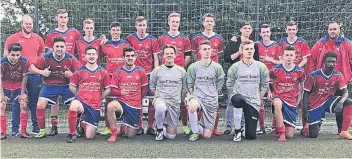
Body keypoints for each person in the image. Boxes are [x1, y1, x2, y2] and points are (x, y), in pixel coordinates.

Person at [29, 36, 80, 138]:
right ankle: (45, 130)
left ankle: (75, 129)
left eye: (62, 46)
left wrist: (72, 75)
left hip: (67, 86)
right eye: (57, 46)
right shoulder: (46, 57)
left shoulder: (70, 58)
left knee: (77, 104)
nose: (59, 49)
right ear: (53, 47)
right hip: (50, 85)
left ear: (65, 48)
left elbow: (81, 72)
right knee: (40, 105)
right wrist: (41, 72)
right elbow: (31, 68)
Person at [307, 22, 352, 134]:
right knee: (318, 101)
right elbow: (311, 59)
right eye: (330, 29)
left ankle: (342, 130)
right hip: (321, 82)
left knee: (343, 102)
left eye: (334, 29)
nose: (332, 31)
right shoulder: (320, 43)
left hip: (341, 80)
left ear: (339, 30)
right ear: (327, 30)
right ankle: (316, 124)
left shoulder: (347, 44)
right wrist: (312, 75)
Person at [3, 15, 44, 135]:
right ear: (22, 24)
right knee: (18, 101)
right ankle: (15, 129)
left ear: (33, 24)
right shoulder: (12, 38)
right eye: (26, 23)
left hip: (34, 75)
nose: (29, 25)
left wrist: (38, 70)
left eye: (30, 23)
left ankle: (36, 127)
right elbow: (6, 56)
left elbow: (41, 57)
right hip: (18, 76)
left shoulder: (38, 39)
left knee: (34, 101)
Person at [44, 9, 82, 135]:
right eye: (61, 17)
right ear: (57, 18)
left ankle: (76, 126)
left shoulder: (74, 32)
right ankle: (54, 127)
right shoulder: (51, 34)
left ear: (68, 18)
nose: (63, 19)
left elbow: (83, 45)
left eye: (65, 17)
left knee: (75, 98)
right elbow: (48, 52)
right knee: (54, 100)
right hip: (55, 70)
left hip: (70, 69)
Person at [66, 46, 111, 143]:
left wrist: (100, 97)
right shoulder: (79, 71)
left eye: (93, 54)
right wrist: (78, 95)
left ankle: (82, 124)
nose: (91, 56)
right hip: (82, 102)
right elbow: (72, 86)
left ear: (97, 56)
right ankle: (72, 133)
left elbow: (108, 89)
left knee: (89, 136)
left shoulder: (103, 72)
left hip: (95, 106)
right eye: (89, 54)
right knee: (74, 104)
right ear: (85, 56)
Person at [226, 40, 269, 142]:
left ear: (254, 50)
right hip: (239, 97)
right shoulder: (235, 67)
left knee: (251, 136)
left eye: (251, 49)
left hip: (253, 101)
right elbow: (229, 84)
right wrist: (233, 94)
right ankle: (237, 131)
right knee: (238, 99)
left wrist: (259, 97)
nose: (249, 51)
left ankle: (243, 129)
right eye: (246, 49)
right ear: (242, 50)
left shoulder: (261, 66)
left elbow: (264, 85)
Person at [303, 51, 352, 140]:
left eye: (333, 62)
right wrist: (305, 111)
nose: (331, 64)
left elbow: (345, 92)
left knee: (348, 101)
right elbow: (306, 93)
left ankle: (344, 131)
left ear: (336, 62)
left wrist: (341, 102)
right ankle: (306, 128)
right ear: (324, 62)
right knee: (313, 135)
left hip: (328, 101)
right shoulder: (314, 75)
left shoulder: (338, 75)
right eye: (329, 61)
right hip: (314, 105)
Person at [126, 16, 161, 135]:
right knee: (137, 101)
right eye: (139, 25)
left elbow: (156, 57)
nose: (142, 28)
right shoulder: (130, 38)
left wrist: (155, 72)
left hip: (149, 73)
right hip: (135, 74)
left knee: (151, 101)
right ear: (136, 26)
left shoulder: (152, 39)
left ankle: (150, 127)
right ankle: (139, 126)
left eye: (144, 25)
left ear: (146, 26)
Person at [157, 12, 192, 135]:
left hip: (178, 73)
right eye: (173, 21)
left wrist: (181, 68)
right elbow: (159, 55)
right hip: (165, 73)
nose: (175, 24)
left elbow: (187, 55)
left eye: (177, 21)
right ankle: (162, 125)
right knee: (164, 100)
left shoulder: (184, 38)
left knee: (182, 100)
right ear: (168, 22)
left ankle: (185, 125)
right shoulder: (162, 38)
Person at [223, 22, 260, 135]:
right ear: (240, 29)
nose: (247, 30)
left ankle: (242, 125)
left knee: (246, 100)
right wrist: (238, 52)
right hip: (236, 76)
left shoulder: (254, 45)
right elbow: (226, 58)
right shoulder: (233, 42)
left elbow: (257, 61)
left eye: (249, 28)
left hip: (248, 77)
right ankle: (229, 126)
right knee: (231, 101)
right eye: (245, 28)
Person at [191, 13, 224, 135]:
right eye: (207, 21)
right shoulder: (196, 38)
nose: (209, 23)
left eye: (211, 21)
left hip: (213, 73)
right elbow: (194, 53)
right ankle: (198, 125)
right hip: (201, 72)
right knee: (198, 99)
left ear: (214, 23)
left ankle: (214, 127)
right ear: (203, 23)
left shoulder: (219, 38)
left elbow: (219, 55)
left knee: (215, 100)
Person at [106, 47, 148, 142]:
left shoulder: (141, 71)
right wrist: (121, 93)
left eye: (132, 56)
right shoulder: (118, 72)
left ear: (135, 57)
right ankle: (114, 133)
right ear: (124, 57)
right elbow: (113, 90)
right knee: (110, 106)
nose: (130, 58)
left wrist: (137, 98)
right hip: (122, 103)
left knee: (130, 135)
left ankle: (124, 127)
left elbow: (144, 88)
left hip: (135, 105)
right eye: (127, 56)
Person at [187, 40, 225, 141]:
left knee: (206, 136)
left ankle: (197, 125)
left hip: (211, 99)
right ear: (200, 51)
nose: (207, 51)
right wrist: (192, 96)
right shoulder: (193, 67)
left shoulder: (217, 67)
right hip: (198, 96)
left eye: (209, 49)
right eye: (204, 49)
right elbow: (190, 83)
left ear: (212, 51)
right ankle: (195, 132)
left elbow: (220, 82)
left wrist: (215, 92)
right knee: (192, 106)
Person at [99, 22, 132, 136]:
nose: (116, 32)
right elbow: (98, 57)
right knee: (108, 100)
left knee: (124, 100)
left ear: (121, 31)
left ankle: (124, 126)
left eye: (118, 30)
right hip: (110, 77)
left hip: (122, 76)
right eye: (114, 30)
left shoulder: (126, 44)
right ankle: (108, 127)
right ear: (110, 32)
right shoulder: (106, 44)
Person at [150, 45, 187, 141]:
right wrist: (159, 97)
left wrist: (180, 101)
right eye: (167, 53)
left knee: (171, 137)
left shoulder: (181, 71)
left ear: (175, 55)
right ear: (163, 55)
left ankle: (162, 124)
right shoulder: (157, 70)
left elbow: (184, 89)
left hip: (174, 103)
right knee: (160, 107)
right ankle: (159, 130)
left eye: (171, 53)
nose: (169, 55)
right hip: (161, 100)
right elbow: (152, 88)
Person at [270, 46, 306, 142]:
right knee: (277, 103)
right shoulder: (275, 69)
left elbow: (301, 84)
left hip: (291, 100)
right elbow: (268, 81)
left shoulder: (300, 71)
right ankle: (281, 133)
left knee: (290, 135)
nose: (289, 57)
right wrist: (270, 92)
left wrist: (300, 98)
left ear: (295, 57)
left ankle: (279, 126)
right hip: (278, 97)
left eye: (291, 55)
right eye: (287, 55)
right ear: (282, 57)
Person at [256, 24, 283, 135]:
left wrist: (270, 60)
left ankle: (274, 127)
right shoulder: (256, 45)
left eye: (267, 31)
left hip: (274, 79)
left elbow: (282, 62)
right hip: (260, 79)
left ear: (270, 33)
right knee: (259, 101)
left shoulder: (277, 46)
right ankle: (261, 127)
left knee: (275, 102)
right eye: (263, 32)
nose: (266, 34)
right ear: (260, 34)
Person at [1, 43, 32, 139]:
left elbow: (25, 77)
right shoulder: (2, 62)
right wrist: (1, 94)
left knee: (23, 104)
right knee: (1, 105)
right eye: (13, 55)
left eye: (18, 55)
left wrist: (22, 93)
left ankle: (23, 132)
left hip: (18, 86)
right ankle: (2, 132)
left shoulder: (25, 61)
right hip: (5, 86)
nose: (15, 57)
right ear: (8, 54)